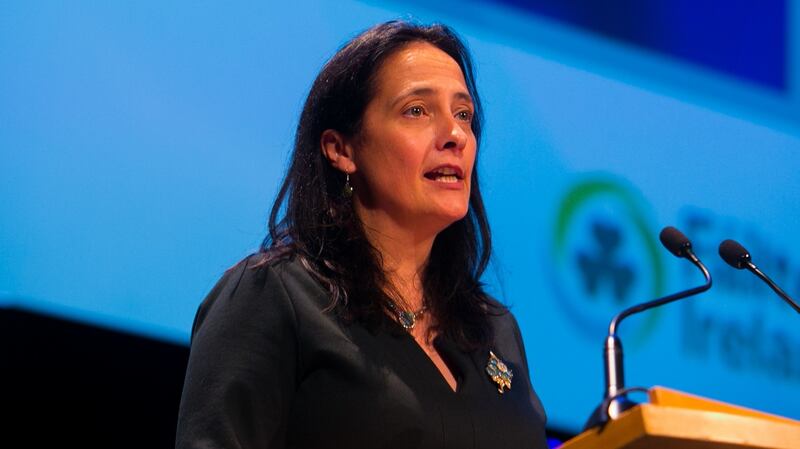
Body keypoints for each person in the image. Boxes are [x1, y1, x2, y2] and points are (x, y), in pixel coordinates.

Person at [175, 21, 548, 449]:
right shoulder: (275, 296)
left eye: (463, 114)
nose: (455, 136)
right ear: (342, 149)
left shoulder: (494, 329)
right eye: (417, 111)